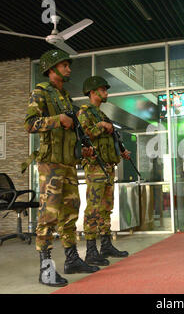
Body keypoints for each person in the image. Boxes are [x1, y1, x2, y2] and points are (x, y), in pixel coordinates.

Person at [24, 49, 100, 287]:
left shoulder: (65, 97)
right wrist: (57, 120)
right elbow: (29, 124)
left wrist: (83, 149)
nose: (69, 69)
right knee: (49, 215)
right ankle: (46, 268)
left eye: (68, 65)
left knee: (70, 213)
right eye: (64, 65)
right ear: (52, 69)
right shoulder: (40, 92)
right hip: (51, 165)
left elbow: (72, 132)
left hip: (68, 164)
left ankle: (72, 259)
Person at [77, 76, 131, 266]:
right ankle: (91, 250)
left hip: (108, 166)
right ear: (93, 92)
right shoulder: (85, 112)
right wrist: (101, 126)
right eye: (103, 89)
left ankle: (106, 244)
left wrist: (122, 150)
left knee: (107, 207)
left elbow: (112, 139)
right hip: (94, 166)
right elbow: (84, 135)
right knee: (93, 208)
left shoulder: (102, 114)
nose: (106, 92)